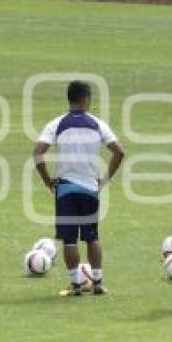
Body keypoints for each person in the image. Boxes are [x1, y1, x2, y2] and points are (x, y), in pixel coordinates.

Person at [33, 80, 125, 297]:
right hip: (90, 188)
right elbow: (119, 151)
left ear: (69, 98)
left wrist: (47, 179)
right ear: (87, 98)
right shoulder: (97, 124)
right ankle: (98, 283)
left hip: (65, 188)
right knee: (92, 237)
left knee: (69, 239)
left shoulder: (57, 123)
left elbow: (38, 151)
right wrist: (105, 179)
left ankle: (75, 285)